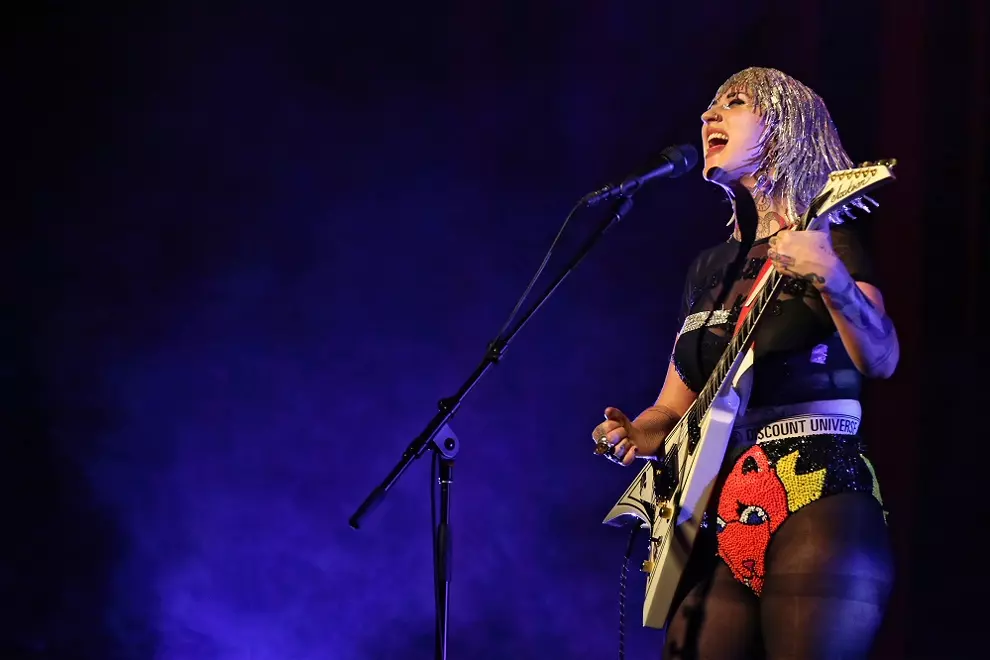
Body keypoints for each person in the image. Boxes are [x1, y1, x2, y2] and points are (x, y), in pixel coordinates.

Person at [591, 67, 898, 659]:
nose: (709, 116)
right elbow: (671, 410)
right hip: (723, 514)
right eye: (707, 106)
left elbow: (881, 358)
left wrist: (831, 277)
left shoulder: (828, 237)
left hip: (820, 494)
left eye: (733, 103)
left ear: (782, 128)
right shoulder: (710, 270)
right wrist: (636, 432)